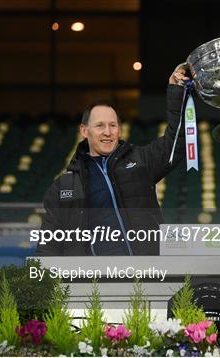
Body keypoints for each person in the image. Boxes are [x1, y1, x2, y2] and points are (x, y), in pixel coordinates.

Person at [35, 66, 189, 256]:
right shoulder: (63, 187)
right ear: (84, 131)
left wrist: (176, 92)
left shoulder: (141, 160)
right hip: (95, 283)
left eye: (113, 125)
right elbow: (49, 245)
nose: (107, 132)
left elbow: (176, 143)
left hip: (149, 276)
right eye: (99, 126)